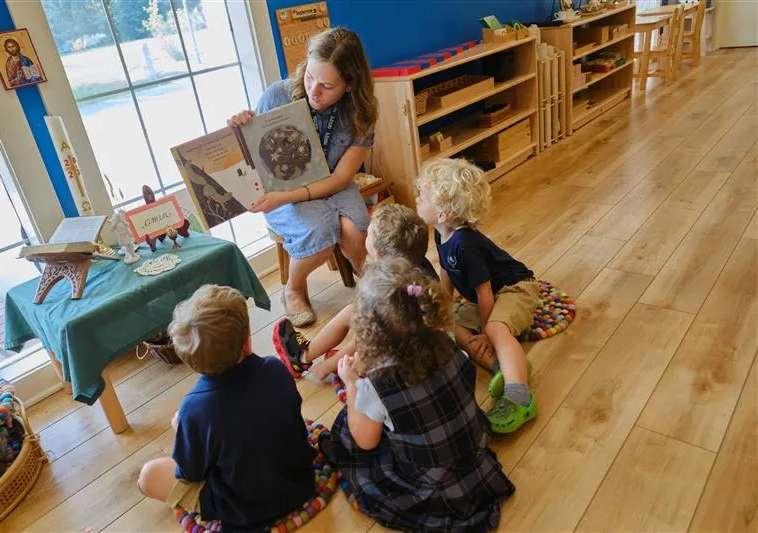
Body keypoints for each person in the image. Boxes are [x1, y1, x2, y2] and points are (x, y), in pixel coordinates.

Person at [319, 258, 515, 532]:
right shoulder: (448, 345)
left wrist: (351, 383)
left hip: (430, 486)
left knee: (346, 427)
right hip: (474, 461)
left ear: (367, 329)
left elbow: (365, 440)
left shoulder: (377, 383)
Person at [228, 27, 378, 327]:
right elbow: (249, 159)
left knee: (355, 230)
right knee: (319, 234)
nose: (313, 91)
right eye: (310, 77)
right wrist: (238, 129)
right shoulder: (277, 95)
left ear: (350, 85)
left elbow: (340, 179)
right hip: (281, 189)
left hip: (332, 184)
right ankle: (293, 288)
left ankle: (373, 286)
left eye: (326, 85)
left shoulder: (361, 112)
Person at [137, 285, 316, 530]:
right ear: (247, 342)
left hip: (243, 508)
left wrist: (181, 427)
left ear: (192, 363)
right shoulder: (275, 368)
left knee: (149, 475)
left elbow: (190, 473)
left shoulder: (194, 409)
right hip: (299, 483)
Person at [415, 157, 539, 434]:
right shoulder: (439, 233)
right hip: (483, 297)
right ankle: (503, 367)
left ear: (444, 213)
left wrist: (485, 331)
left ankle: (521, 396)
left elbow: (485, 294)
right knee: (450, 326)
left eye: (422, 197)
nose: (417, 200)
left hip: (514, 288)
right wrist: (442, 309)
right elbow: (446, 273)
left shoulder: (465, 244)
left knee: (495, 328)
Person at [273, 203, 438, 380]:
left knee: (360, 320)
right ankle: (307, 355)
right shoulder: (421, 270)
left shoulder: (386, 292)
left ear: (378, 254)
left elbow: (368, 339)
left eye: (369, 233)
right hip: (426, 349)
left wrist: (330, 364)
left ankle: (305, 359)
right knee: (353, 310)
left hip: (399, 364)